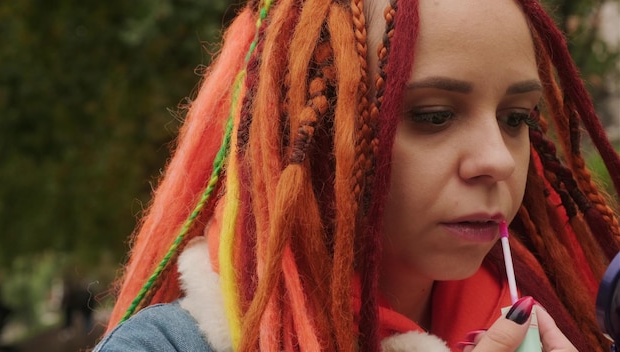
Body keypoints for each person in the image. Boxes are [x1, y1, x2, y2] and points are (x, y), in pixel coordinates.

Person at [93, 0, 620, 350]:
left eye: (516, 118)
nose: (500, 161)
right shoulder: (167, 345)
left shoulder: (561, 326)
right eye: (433, 115)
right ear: (313, 134)